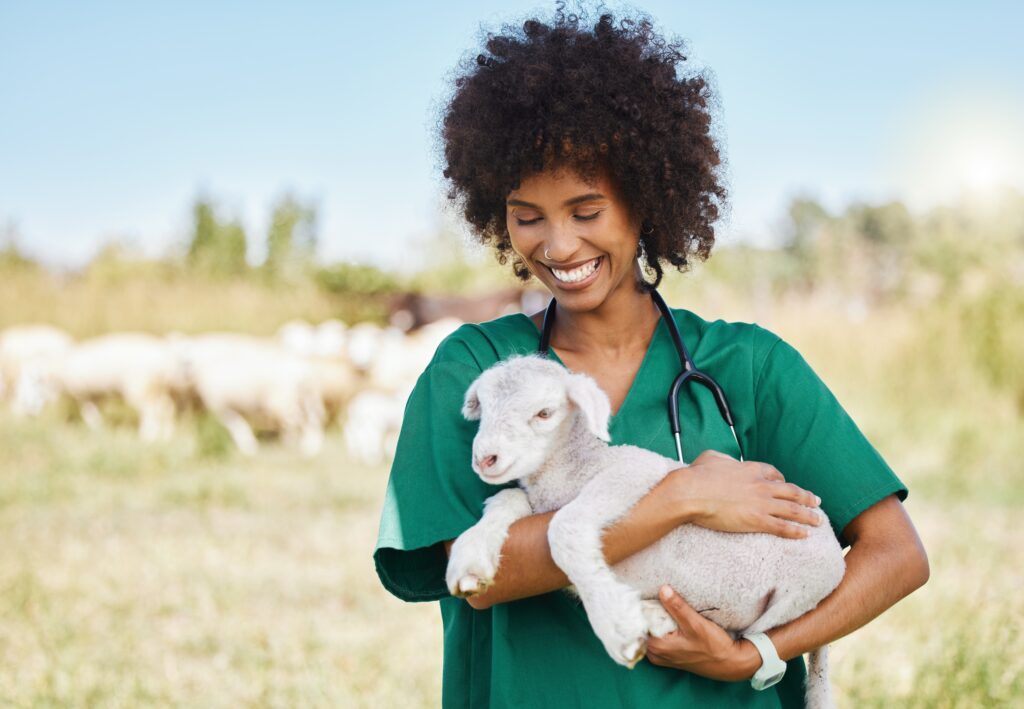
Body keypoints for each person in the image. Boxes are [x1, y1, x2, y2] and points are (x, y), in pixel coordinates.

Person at [374, 8, 929, 708]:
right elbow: (478, 572)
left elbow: (896, 553)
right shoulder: (478, 368)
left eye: (587, 209)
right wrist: (681, 498)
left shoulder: (748, 366)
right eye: (527, 215)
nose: (557, 246)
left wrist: (758, 653)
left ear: (644, 196)